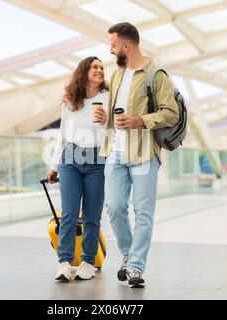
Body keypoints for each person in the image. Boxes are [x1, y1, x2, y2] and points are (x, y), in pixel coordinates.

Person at [99, 22, 180, 288]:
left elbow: (171, 113)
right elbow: (112, 114)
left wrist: (140, 121)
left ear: (126, 45)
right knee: (114, 207)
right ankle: (128, 255)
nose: (110, 51)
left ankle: (135, 267)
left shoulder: (155, 75)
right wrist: (102, 117)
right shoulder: (116, 75)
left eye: (113, 45)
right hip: (115, 151)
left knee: (143, 212)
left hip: (144, 153)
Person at [46, 56, 109, 281]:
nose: (100, 70)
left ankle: (88, 262)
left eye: (102, 67)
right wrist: (54, 165)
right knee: (70, 214)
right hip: (70, 159)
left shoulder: (108, 98)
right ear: (84, 71)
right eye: (95, 66)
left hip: (97, 160)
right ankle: (64, 261)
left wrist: (105, 122)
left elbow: (112, 129)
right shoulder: (70, 100)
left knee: (92, 216)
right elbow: (62, 134)